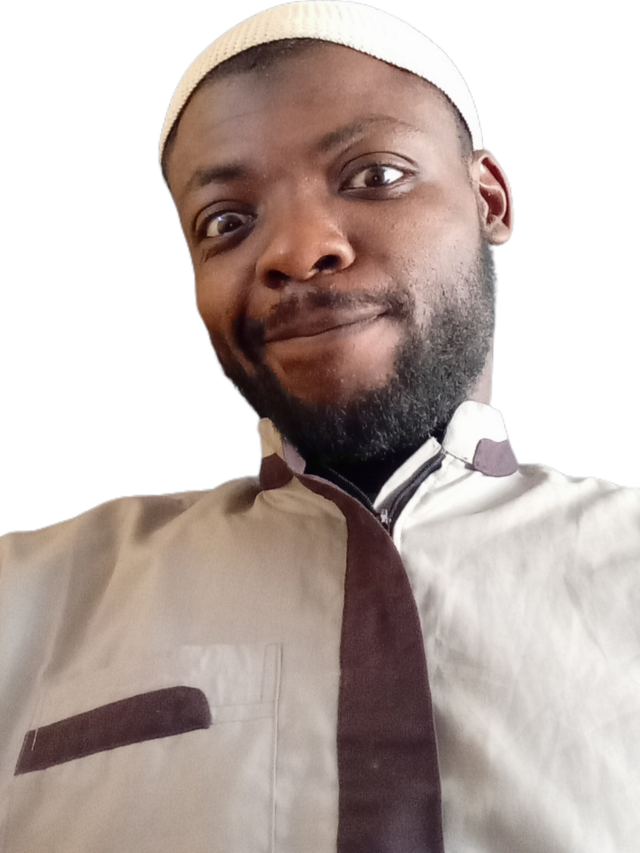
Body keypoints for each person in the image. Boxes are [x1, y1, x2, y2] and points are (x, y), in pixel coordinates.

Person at [1, 3, 638, 851]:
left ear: (488, 197)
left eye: (375, 174)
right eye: (226, 221)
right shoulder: (23, 595)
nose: (298, 250)